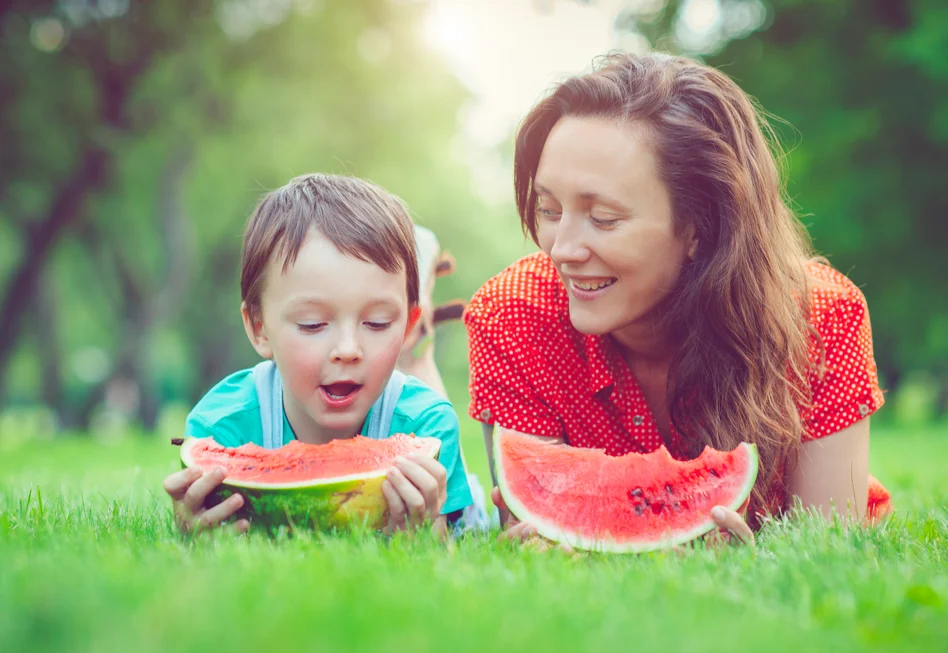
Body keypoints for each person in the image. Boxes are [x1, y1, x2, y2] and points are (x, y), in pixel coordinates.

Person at [464, 52, 891, 547]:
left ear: (699, 228)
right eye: (548, 209)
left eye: (603, 219)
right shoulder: (512, 313)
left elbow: (828, 547)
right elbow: (537, 530)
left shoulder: (821, 317)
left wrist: (750, 565)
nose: (561, 249)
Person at [163, 173, 473, 536]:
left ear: (405, 327)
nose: (347, 350)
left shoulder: (428, 425)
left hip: (435, 440)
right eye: (312, 324)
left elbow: (439, 559)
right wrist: (194, 529)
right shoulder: (220, 429)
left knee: (471, 503)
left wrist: (421, 531)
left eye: (376, 322)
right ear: (260, 328)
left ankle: (421, 341)